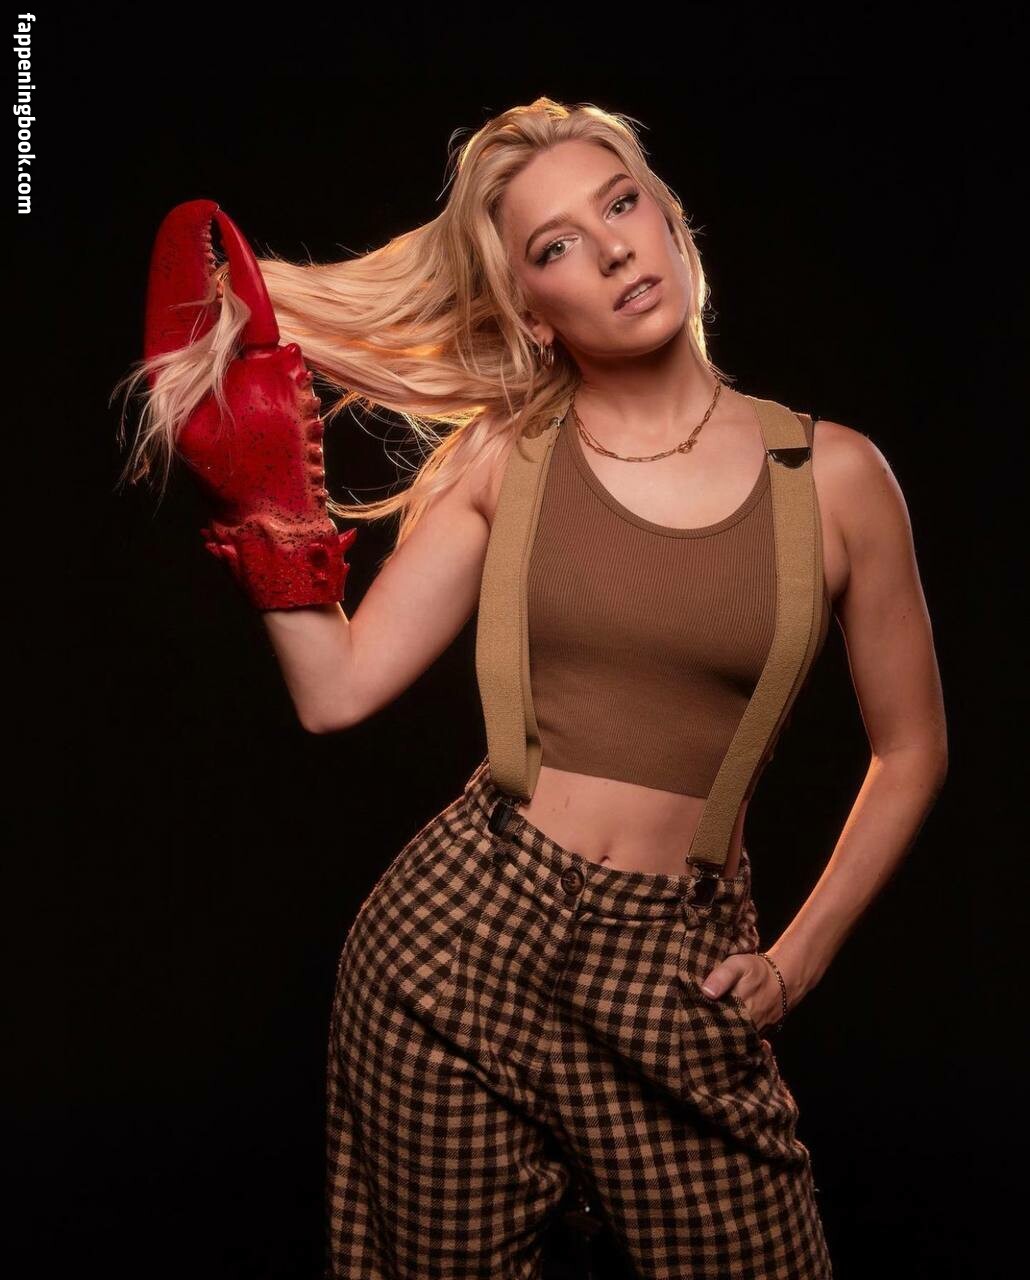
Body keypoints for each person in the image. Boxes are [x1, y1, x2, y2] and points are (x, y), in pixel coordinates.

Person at [116, 96, 947, 1280]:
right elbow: (334, 692)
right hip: (458, 936)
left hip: (674, 960)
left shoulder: (834, 477)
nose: (610, 249)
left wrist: (795, 960)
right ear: (528, 307)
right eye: (556, 244)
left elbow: (911, 750)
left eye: (621, 204)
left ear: (669, 219)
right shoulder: (507, 457)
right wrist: (269, 512)